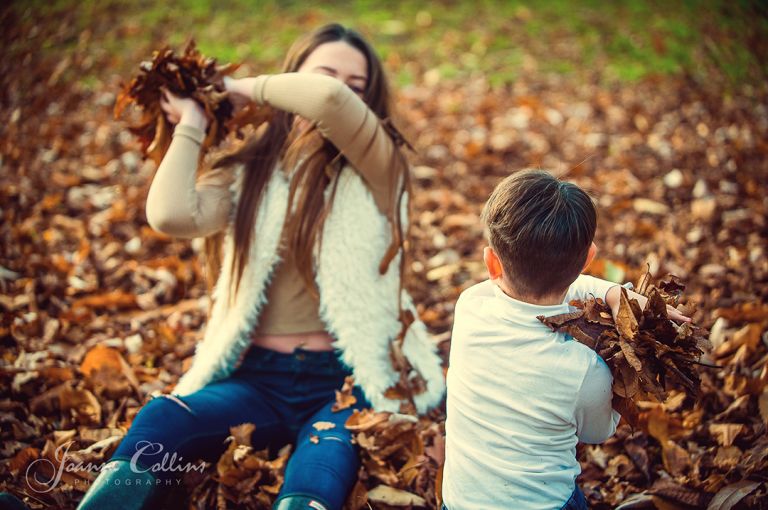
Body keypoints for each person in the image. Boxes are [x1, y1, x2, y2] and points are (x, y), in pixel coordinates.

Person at [77, 23, 445, 510]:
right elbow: (169, 215)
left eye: (357, 87)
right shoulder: (247, 172)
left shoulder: (380, 163)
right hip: (256, 382)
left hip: (348, 383)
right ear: (293, 80)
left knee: (319, 464)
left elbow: (330, 101)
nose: (338, 91)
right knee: (163, 419)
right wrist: (192, 123)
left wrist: (238, 87)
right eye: (323, 73)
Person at [441, 170, 690, 510]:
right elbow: (598, 433)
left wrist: (614, 293)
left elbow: (563, 286)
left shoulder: (471, 304)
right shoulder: (584, 368)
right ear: (588, 259)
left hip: (458, 502)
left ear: (491, 262)